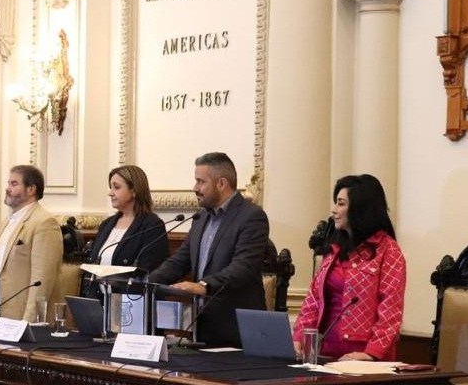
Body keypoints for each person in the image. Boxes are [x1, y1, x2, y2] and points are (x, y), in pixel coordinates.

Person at [146, 152, 269, 347]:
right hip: (202, 328)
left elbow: (243, 267)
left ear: (221, 183)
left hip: (235, 331)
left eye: (201, 182)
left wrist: (204, 285)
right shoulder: (201, 217)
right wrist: (144, 283)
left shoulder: (251, 217)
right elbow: (180, 260)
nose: (195, 188)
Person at [293, 174, 405, 361]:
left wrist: (370, 354)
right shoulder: (334, 248)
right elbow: (313, 298)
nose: (333, 210)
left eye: (341, 203)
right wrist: (299, 337)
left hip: (364, 359)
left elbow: (391, 311)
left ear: (360, 208)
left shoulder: (388, 250)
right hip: (324, 354)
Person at [0, 165, 62, 324]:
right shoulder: (6, 222)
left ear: (31, 189)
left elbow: (41, 279)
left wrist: (29, 320)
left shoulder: (44, 223)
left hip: (21, 317)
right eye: (8, 184)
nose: (7, 189)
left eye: (14, 184)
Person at [81, 165, 169, 297]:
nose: (110, 193)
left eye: (116, 187)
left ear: (134, 191)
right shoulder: (106, 224)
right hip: (98, 302)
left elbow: (147, 273)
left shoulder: (151, 226)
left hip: (131, 303)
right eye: (111, 187)